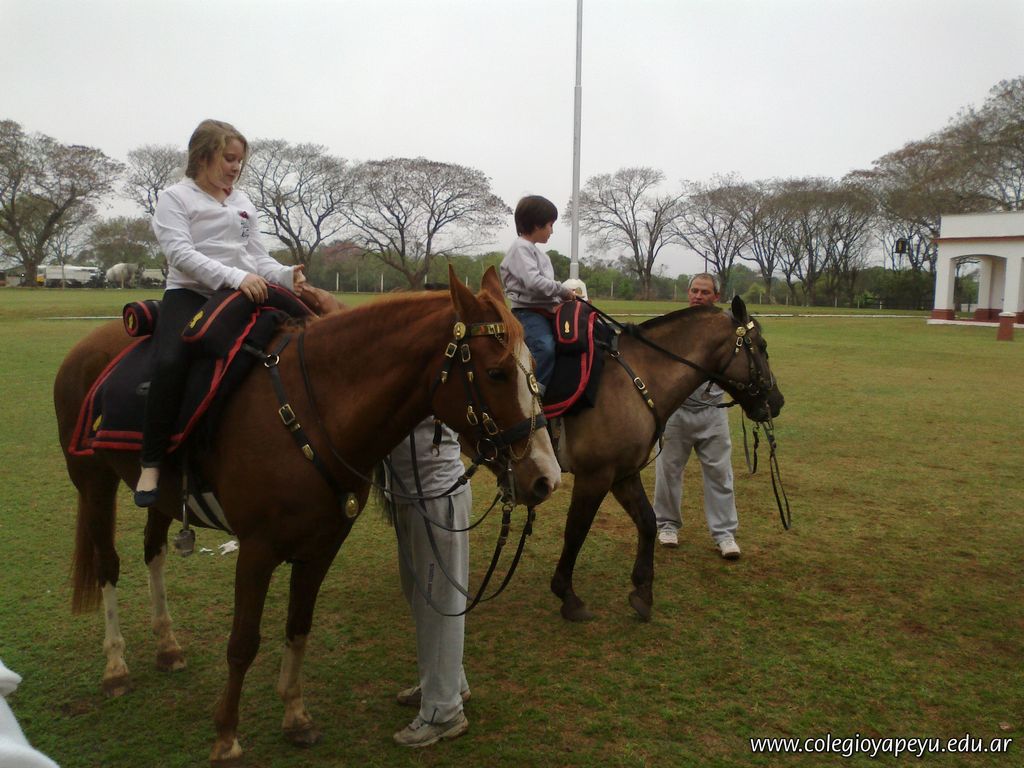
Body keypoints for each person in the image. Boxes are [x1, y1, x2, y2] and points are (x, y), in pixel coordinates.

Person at [134, 119, 306, 507]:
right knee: (171, 360)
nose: (235, 167)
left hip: (245, 289)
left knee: (313, 326)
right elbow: (180, 254)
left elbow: (256, 256)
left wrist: (284, 274)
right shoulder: (175, 198)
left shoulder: (242, 201)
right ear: (203, 156)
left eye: (239, 161)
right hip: (191, 294)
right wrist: (235, 277)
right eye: (229, 158)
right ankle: (152, 461)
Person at [385, 416, 472, 748]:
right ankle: (447, 683)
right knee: (418, 596)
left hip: (436, 495)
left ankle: (443, 713)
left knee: (438, 604)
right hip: (407, 496)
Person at [653, 273, 742, 560]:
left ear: (716, 296)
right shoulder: (673, 326)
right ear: (687, 292)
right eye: (694, 290)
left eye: (705, 292)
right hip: (676, 412)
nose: (698, 296)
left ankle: (724, 534)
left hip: (713, 411)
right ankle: (667, 526)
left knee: (720, 474)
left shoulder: (727, 328)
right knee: (668, 471)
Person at [499, 195, 577, 394]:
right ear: (537, 224)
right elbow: (534, 283)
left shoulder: (539, 254)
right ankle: (532, 395)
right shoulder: (520, 248)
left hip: (544, 312)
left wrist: (565, 298)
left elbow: (545, 289)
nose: (552, 230)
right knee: (545, 348)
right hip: (527, 314)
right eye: (550, 225)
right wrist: (562, 291)